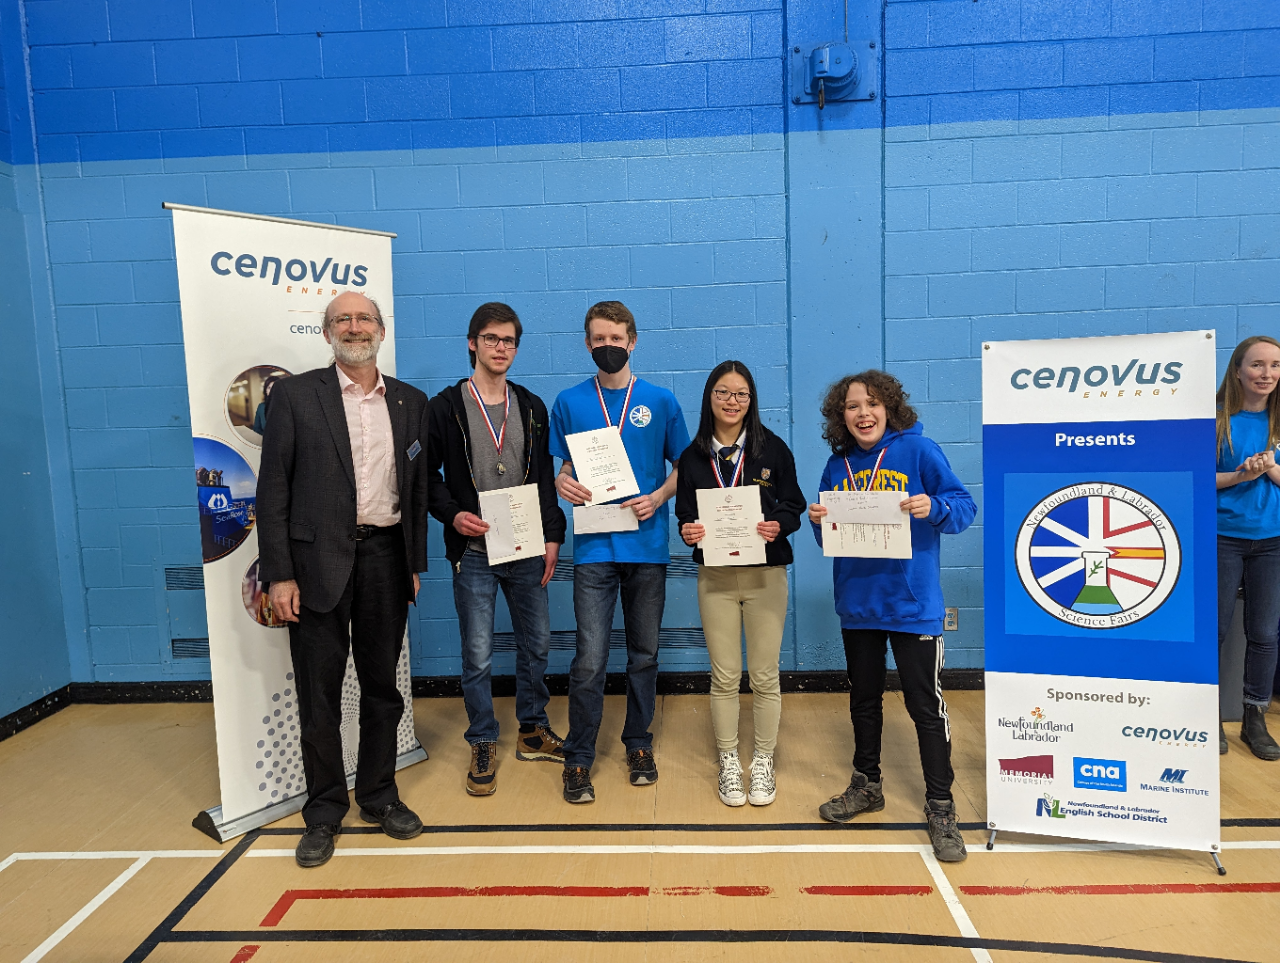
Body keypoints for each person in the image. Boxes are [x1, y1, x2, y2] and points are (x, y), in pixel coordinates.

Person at [258, 291, 430, 868]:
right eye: (342, 320)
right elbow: (273, 490)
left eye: (364, 319)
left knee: (383, 690)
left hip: (385, 560)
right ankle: (325, 811)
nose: (354, 328)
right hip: (314, 569)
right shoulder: (295, 395)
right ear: (327, 331)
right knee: (319, 697)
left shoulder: (410, 401)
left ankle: (380, 795)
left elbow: (418, 490)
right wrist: (279, 574)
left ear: (381, 329)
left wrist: (413, 563)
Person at [807, 370, 975, 862]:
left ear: (889, 409)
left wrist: (934, 506)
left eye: (873, 404)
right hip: (858, 604)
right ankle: (867, 785)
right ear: (842, 416)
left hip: (913, 606)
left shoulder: (919, 452)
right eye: (853, 406)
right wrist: (820, 522)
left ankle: (941, 806)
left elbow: (964, 507)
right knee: (863, 701)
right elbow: (827, 541)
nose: (863, 413)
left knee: (926, 707)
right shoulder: (836, 466)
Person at [550, 300, 690, 804]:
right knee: (589, 658)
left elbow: (684, 467)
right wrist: (563, 482)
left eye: (616, 338)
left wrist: (658, 497)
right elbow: (559, 468)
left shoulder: (661, 400)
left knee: (643, 655)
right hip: (593, 550)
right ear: (588, 344)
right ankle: (579, 755)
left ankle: (637, 743)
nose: (607, 347)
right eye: (598, 339)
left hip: (647, 547)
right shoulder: (569, 401)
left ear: (632, 341)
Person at [426, 302, 568, 795]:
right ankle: (483, 738)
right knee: (479, 653)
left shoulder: (530, 405)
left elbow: (545, 479)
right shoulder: (444, 407)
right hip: (476, 549)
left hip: (527, 544)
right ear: (472, 343)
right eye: (491, 339)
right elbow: (427, 479)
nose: (500, 348)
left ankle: (531, 729)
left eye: (508, 341)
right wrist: (452, 515)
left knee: (538, 644)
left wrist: (554, 535)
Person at [674, 361, 804, 807]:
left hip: (766, 575)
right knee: (725, 675)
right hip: (715, 578)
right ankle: (729, 760)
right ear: (709, 397)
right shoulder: (692, 457)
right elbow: (685, 516)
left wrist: (778, 525)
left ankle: (763, 760)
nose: (732, 402)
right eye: (723, 393)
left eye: (741, 394)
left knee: (765, 675)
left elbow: (794, 506)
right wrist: (688, 530)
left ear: (752, 401)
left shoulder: (773, 450)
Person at [1215, 335, 1280, 760]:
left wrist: (1270, 467)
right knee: (1215, 629)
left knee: (1264, 632)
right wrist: (1241, 476)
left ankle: (1253, 718)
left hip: (1271, 541)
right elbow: (1193, 481)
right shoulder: (1216, 421)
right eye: (1257, 365)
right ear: (1238, 369)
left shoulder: (1279, 424)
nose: (1267, 374)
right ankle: (1205, 717)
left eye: (1275, 366)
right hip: (1222, 537)